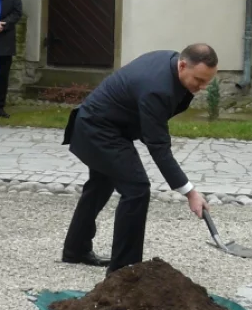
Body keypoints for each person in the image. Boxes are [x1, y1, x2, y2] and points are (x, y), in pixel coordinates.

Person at [61, 45, 217, 274]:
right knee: (137, 188)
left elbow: (151, 126)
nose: (202, 87)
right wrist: (190, 192)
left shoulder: (171, 63)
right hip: (98, 130)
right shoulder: (158, 88)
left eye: (207, 82)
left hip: (105, 125)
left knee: (100, 185)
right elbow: (159, 147)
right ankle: (125, 271)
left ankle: (76, 249)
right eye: (199, 80)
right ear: (183, 65)